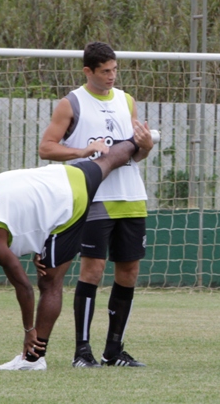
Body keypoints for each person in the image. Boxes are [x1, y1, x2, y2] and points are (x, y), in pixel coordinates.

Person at [0, 139, 139, 370]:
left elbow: (23, 286)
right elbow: (17, 205)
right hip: (64, 174)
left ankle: (34, 358)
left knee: (49, 283)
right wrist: (40, 245)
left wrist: (29, 331)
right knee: (107, 160)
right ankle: (141, 138)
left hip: (68, 204)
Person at [38, 41, 155, 368]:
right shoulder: (70, 103)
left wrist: (145, 147)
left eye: (115, 70)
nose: (111, 77)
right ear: (87, 70)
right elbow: (46, 148)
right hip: (93, 198)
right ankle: (82, 352)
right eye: (105, 71)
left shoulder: (126, 100)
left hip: (131, 197)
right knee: (93, 268)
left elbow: (136, 153)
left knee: (129, 271)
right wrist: (82, 152)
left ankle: (113, 351)